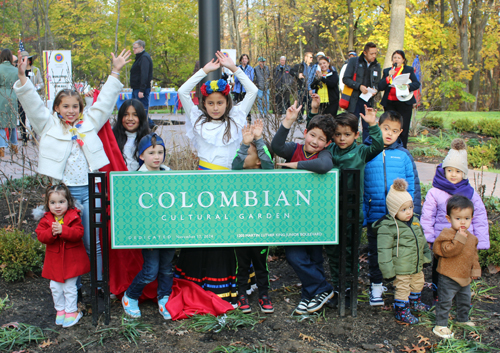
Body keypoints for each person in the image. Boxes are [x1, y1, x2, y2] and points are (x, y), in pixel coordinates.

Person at [14, 48, 131, 295]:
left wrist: (115, 71)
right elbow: (32, 104)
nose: (70, 110)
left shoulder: (89, 124)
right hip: (65, 197)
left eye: (75, 106)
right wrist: (23, 79)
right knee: (70, 242)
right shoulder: (48, 125)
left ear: (80, 108)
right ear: (57, 107)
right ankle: (73, 287)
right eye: (65, 106)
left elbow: (105, 102)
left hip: (90, 193)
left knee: (93, 243)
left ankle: (99, 285)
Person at [175, 51, 257, 304]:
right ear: (204, 104)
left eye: (219, 103)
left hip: (230, 182)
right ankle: (201, 279)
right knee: (205, 230)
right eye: (210, 103)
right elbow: (181, 92)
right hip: (204, 182)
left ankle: (234, 281)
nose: (215, 107)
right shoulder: (197, 118)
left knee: (228, 231)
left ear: (227, 102)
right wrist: (204, 71)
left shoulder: (236, 117)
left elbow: (252, 91)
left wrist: (233, 68)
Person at [271, 101, 336, 314]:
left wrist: (295, 166)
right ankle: (324, 289)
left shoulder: (323, 155)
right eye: (313, 135)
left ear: (327, 144)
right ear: (305, 133)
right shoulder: (295, 149)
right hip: (293, 217)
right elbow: (277, 147)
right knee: (295, 256)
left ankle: (311, 297)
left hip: (316, 218)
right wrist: (288, 121)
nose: (315, 142)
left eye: (321, 139)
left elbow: (325, 166)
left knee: (315, 258)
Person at [322, 106, 384, 307]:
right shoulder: (328, 151)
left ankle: (350, 285)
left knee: (350, 249)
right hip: (331, 209)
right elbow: (314, 138)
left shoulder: (361, 152)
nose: (342, 139)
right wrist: (314, 112)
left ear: (356, 135)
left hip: (352, 209)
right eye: (338, 134)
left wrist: (373, 125)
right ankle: (337, 285)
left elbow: (378, 146)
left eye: (347, 134)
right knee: (332, 249)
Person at [363, 110, 421, 306]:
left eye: (394, 131)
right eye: (385, 128)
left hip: (400, 217)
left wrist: (415, 212)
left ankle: (401, 287)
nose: (389, 134)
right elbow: (361, 185)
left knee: (400, 253)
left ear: (400, 132)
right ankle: (376, 288)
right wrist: (364, 214)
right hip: (376, 215)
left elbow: (413, 185)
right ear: (378, 127)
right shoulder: (367, 151)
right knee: (376, 253)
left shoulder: (404, 156)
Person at [421, 139, 489, 304]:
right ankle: (438, 292)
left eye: (457, 171)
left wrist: (480, 240)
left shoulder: (471, 194)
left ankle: (460, 294)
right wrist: (429, 237)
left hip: (465, 239)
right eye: (449, 170)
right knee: (440, 267)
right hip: (442, 240)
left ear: (464, 174)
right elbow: (427, 216)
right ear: (443, 170)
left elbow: (479, 216)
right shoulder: (435, 192)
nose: (452, 174)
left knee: (461, 266)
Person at [122, 133, 175, 319]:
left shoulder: (169, 174)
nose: (157, 157)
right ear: (142, 156)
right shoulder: (137, 178)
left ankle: (164, 299)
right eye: (151, 152)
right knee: (150, 271)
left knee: (167, 267)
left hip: (169, 232)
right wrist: (145, 235)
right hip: (150, 234)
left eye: (161, 152)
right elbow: (133, 211)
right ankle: (130, 295)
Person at [232, 119, 275, 314]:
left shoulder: (265, 175)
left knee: (260, 264)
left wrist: (258, 140)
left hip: (261, 229)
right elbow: (235, 163)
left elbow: (268, 163)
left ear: (258, 160)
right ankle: (242, 294)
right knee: (241, 265)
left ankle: (264, 294)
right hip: (241, 229)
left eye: (248, 154)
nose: (242, 157)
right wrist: (244, 144)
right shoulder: (237, 176)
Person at [375, 179, 432, 324]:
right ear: (394, 211)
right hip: (401, 267)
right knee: (402, 288)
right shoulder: (388, 227)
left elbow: (422, 241)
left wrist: (426, 256)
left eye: (411, 207)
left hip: (416, 264)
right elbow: (384, 251)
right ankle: (401, 309)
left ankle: (415, 302)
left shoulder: (415, 222)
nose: (409, 212)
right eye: (404, 209)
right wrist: (388, 271)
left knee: (418, 283)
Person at [34, 184, 90, 328]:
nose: (57, 206)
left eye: (61, 202)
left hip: (72, 260)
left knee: (70, 287)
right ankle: (60, 310)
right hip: (55, 261)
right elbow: (41, 236)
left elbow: (78, 234)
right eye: (53, 203)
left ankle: (71, 312)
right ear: (47, 204)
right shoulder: (46, 219)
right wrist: (52, 232)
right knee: (55, 286)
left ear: (68, 202)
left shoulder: (74, 216)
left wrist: (63, 230)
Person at [432, 195, 481, 338]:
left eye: (466, 218)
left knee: (465, 300)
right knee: (445, 301)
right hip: (448, 275)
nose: (462, 222)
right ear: (449, 219)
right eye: (458, 218)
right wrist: (459, 239)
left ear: (472, 218)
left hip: (464, 276)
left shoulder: (472, 238)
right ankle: (440, 324)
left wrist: (475, 269)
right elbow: (446, 251)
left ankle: (462, 319)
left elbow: (474, 256)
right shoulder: (446, 234)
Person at [378, 50, 421, 148]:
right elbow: (380, 86)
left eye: (398, 58)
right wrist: (388, 76)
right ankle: (389, 147)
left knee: (403, 127)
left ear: (403, 60)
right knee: (390, 126)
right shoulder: (387, 71)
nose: (396, 60)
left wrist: (408, 86)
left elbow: (416, 84)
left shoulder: (408, 70)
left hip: (404, 102)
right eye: (394, 58)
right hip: (390, 102)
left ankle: (402, 148)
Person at [342, 42, 381, 142]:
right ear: (365, 53)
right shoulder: (354, 61)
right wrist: (359, 86)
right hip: (354, 99)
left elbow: (377, 83)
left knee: (367, 126)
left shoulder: (376, 65)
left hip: (368, 100)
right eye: (371, 53)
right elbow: (346, 79)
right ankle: (351, 149)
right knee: (352, 125)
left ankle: (366, 149)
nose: (374, 56)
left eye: (375, 53)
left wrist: (375, 90)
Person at [112, 99, 151, 171]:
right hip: (118, 179)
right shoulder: (112, 138)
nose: (130, 118)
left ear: (141, 117)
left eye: (135, 115)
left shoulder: (148, 140)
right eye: (125, 114)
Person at [18, 50, 43, 146]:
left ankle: (33, 136)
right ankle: (24, 138)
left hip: (32, 96)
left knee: (33, 116)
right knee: (22, 117)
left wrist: (36, 87)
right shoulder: (20, 71)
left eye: (26, 59)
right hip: (21, 97)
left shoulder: (35, 70)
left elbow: (41, 83)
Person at [130, 40, 154, 129]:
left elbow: (144, 74)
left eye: (135, 48)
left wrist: (142, 90)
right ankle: (149, 124)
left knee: (141, 108)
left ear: (141, 47)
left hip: (141, 88)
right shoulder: (139, 58)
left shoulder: (144, 58)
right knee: (135, 107)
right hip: (136, 87)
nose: (133, 50)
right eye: (133, 48)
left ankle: (147, 125)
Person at [0, 48, 19, 158]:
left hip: (1, 95)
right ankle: (14, 145)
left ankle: (1, 147)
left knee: (1, 123)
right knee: (12, 122)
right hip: (12, 95)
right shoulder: (15, 70)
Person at [290, 52, 313, 120]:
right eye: (310, 57)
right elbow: (291, 71)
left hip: (310, 89)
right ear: (305, 57)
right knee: (301, 104)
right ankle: (300, 118)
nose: (312, 59)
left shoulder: (313, 67)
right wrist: (298, 75)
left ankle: (309, 119)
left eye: (312, 57)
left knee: (310, 105)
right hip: (301, 88)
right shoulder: (299, 66)